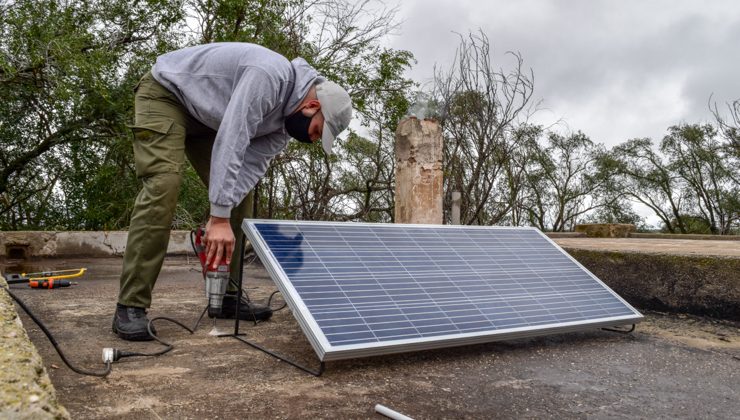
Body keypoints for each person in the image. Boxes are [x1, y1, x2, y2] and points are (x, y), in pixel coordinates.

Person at [112, 43, 352, 341]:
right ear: (312, 107)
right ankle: (130, 306)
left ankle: (226, 296)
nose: (314, 139)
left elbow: (250, 165)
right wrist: (220, 217)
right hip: (166, 94)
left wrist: (219, 218)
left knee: (239, 194)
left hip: (208, 116)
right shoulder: (269, 76)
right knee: (164, 185)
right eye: (318, 131)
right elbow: (233, 137)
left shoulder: (282, 128)